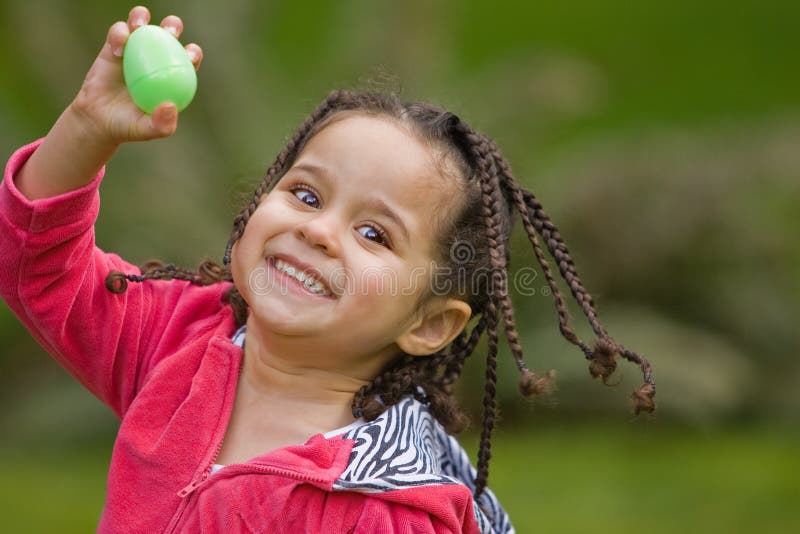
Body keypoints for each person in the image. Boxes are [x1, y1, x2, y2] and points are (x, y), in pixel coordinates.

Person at [0, 6, 656, 533]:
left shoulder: (382, 505)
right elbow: (40, 268)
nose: (317, 231)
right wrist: (87, 129)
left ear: (430, 324)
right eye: (306, 195)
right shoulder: (179, 339)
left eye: (373, 233)